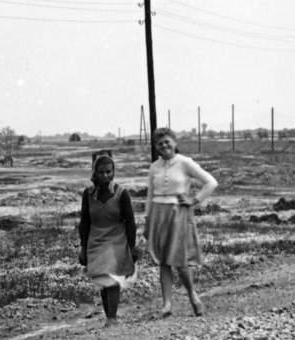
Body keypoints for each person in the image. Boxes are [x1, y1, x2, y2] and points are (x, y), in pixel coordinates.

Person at [144, 127, 218, 317]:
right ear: (156, 147)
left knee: (180, 259)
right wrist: (147, 220)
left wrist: (194, 200)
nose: (164, 146)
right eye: (160, 144)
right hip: (158, 214)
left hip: (178, 213)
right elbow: (150, 195)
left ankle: (194, 297)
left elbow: (211, 182)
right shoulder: (154, 167)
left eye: (167, 142)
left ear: (175, 142)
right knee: (163, 261)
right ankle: (167, 305)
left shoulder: (185, 163)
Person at [78, 151, 137, 327]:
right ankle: (109, 316)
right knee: (102, 279)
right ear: (95, 172)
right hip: (95, 240)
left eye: (109, 172)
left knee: (111, 275)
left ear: (113, 172)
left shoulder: (122, 193)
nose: (105, 176)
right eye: (101, 172)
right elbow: (84, 222)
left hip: (116, 239)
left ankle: (112, 317)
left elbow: (130, 221)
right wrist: (82, 247)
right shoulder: (88, 195)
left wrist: (132, 246)